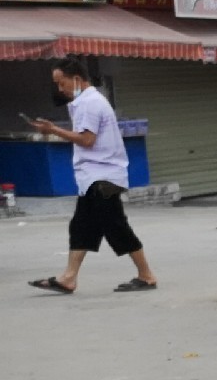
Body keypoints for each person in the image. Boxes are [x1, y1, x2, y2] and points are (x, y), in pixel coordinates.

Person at [27, 59, 158, 295]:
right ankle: (68, 278)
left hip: (103, 177)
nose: (60, 89)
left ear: (76, 79)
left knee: (116, 226)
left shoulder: (90, 103)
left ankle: (146, 275)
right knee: (81, 226)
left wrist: (54, 130)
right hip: (94, 176)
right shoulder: (84, 102)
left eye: (62, 83)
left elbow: (87, 140)